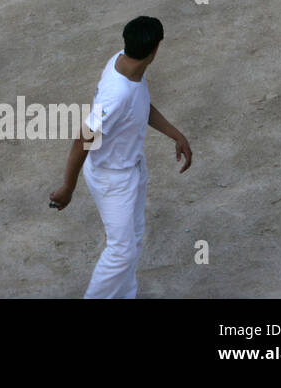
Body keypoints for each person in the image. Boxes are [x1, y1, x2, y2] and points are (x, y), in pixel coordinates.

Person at [49, 16, 192, 298]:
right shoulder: (117, 94)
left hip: (132, 167)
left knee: (133, 242)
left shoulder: (123, 63)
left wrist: (176, 134)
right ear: (155, 51)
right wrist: (68, 187)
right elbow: (83, 139)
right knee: (121, 251)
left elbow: (142, 104)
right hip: (112, 179)